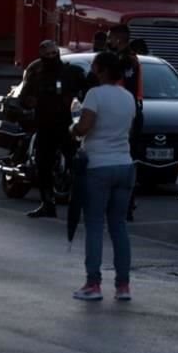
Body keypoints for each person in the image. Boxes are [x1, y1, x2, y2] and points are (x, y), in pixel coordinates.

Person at [69, 51, 136, 302]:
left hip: (98, 166)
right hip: (125, 165)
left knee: (95, 225)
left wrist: (73, 129)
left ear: (101, 70)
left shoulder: (95, 95)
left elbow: (85, 127)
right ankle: (123, 286)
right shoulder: (128, 97)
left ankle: (93, 284)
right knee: (119, 226)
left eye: (94, 67)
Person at [20, 40, 85, 218]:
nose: (51, 57)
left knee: (74, 163)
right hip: (45, 125)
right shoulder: (36, 73)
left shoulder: (71, 72)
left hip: (66, 125)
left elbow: (87, 89)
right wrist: (29, 101)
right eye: (47, 54)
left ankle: (78, 202)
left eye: (53, 53)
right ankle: (47, 203)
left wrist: (77, 103)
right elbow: (24, 97)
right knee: (43, 166)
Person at [108, 24, 143, 222]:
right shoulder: (124, 58)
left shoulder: (127, 60)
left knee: (126, 160)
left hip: (127, 113)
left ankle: (126, 205)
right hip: (125, 111)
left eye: (111, 38)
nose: (109, 41)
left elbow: (128, 92)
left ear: (119, 39)